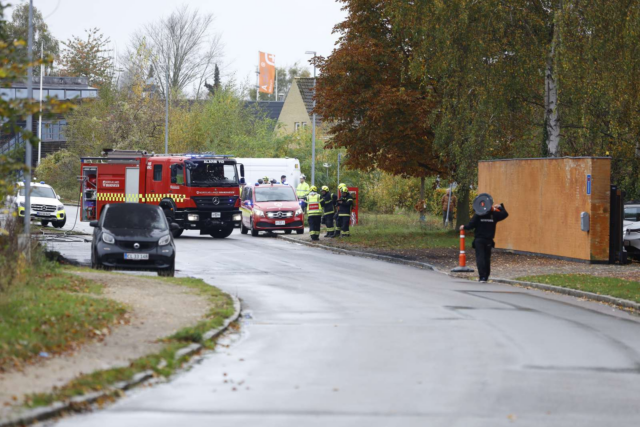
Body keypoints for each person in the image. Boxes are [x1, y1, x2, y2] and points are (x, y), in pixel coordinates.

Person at [460, 202, 509, 283]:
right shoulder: (494, 215)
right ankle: (486, 276)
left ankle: (482, 277)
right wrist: (500, 207)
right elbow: (505, 214)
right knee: (487, 258)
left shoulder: (478, 215)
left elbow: (470, 225)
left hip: (479, 240)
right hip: (489, 240)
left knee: (480, 258)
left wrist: (463, 227)